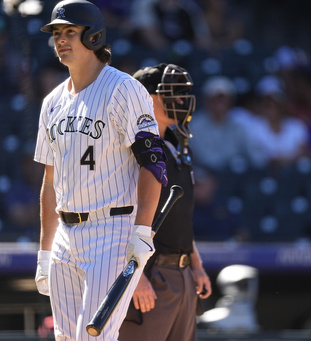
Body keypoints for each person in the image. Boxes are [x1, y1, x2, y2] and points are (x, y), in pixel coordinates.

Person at [33, 1, 167, 340]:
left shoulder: (124, 89)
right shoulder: (52, 102)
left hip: (112, 231)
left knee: (94, 338)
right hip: (65, 234)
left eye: (70, 32)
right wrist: (45, 250)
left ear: (93, 37)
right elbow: (50, 182)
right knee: (65, 338)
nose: (60, 40)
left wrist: (143, 230)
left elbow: (153, 161)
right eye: (57, 33)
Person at [119, 63, 212, 341]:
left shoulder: (177, 146)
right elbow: (119, 217)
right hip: (150, 273)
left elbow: (178, 215)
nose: (182, 102)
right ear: (146, 97)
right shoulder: (127, 150)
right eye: (172, 94)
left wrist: (195, 265)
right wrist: (132, 278)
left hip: (181, 274)